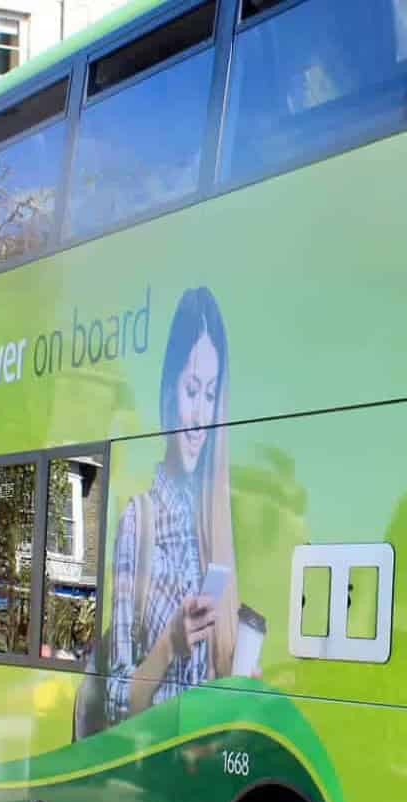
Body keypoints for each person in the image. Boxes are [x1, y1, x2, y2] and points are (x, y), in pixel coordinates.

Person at [100, 286, 244, 728]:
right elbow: (116, 701)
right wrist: (170, 643)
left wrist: (240, 687)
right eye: (191, 389)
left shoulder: (215, 524)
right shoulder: (138, 521)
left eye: (209, 393)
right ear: (168, 393)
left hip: (204, 770)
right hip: (153, 776)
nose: (200, 413)